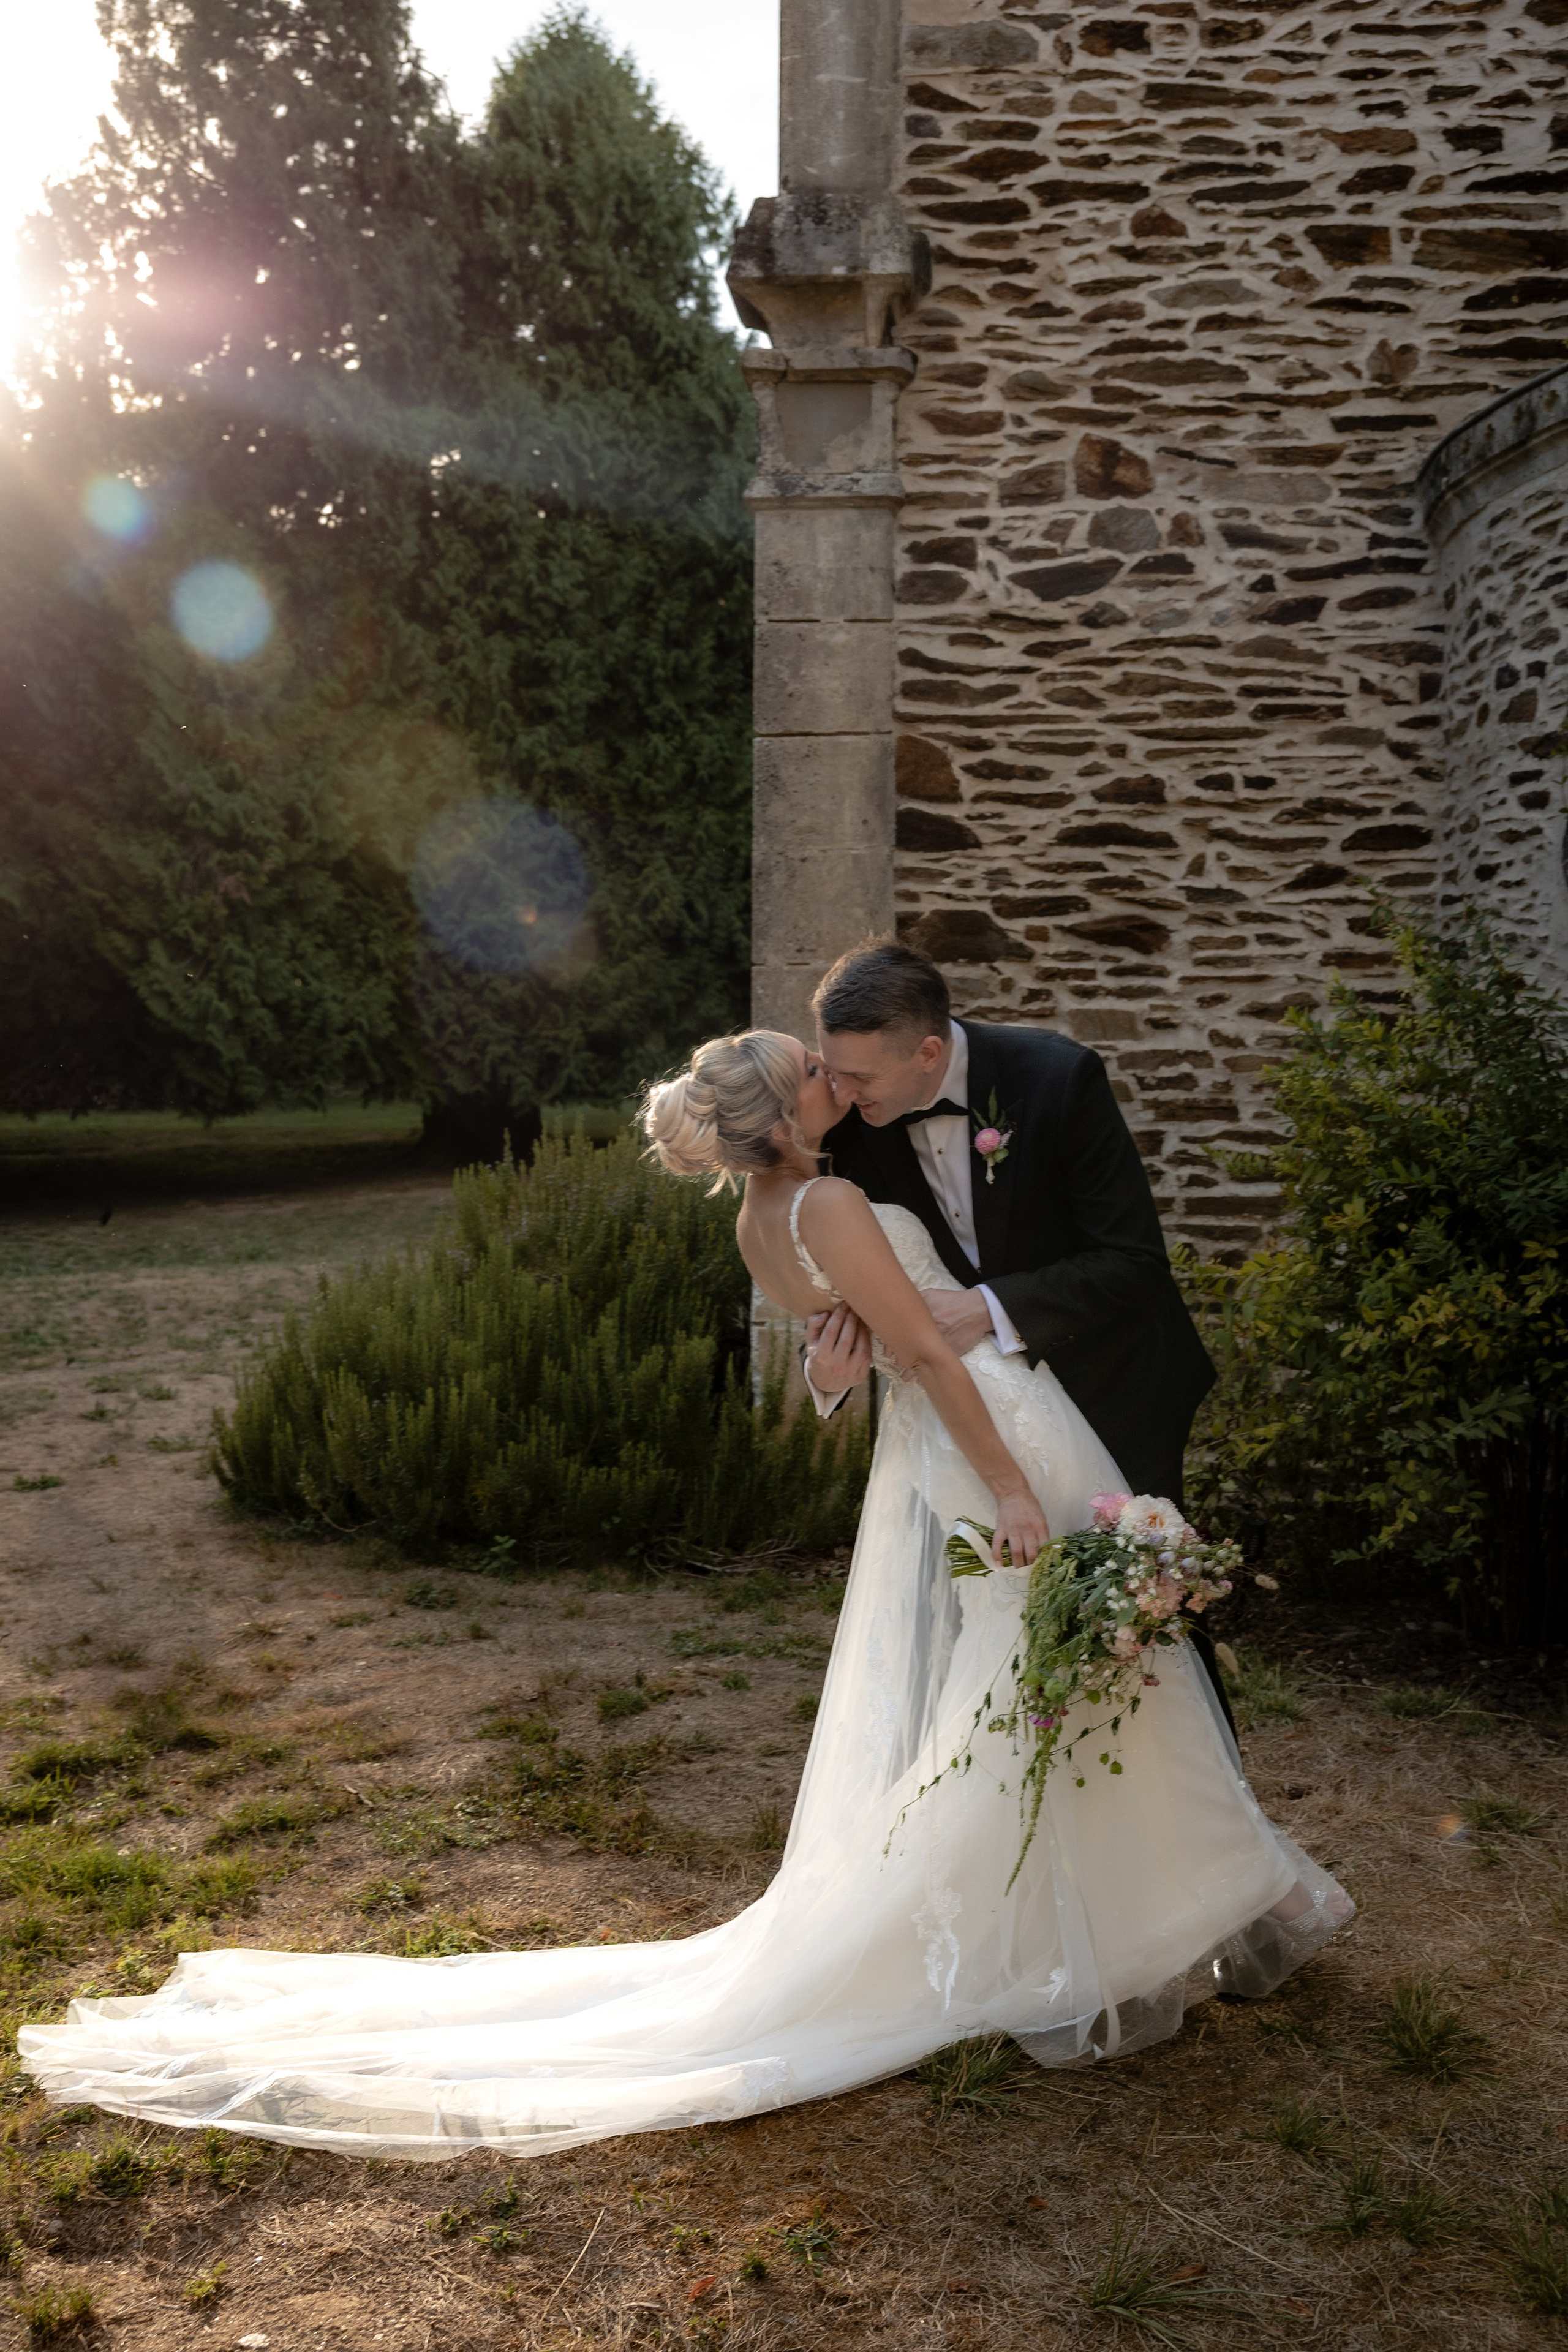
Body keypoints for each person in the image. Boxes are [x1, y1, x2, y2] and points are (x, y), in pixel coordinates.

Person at [19, 1031, 1349, 2163]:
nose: (829, 1070)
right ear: (780, 1112)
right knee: (1084, 1663)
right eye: (806, 1068)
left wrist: (855, 1381)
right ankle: (1212, 1902)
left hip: (939, 1451)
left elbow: (838, 1364)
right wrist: (1007, 1483)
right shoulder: (826, 1205)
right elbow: (925, 1364)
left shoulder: (762, 1221)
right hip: (989, 1435)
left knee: (1062, 1674)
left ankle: (1205, 1899)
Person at [801, 938, 1235, 1730]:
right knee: (987, 1618)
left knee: (1145, 1606)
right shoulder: (854, 1123)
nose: (837, 1089)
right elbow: (850, 1287)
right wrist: (828, 1375)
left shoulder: (1058, 1080)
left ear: (929, 1052)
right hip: (971, 1414)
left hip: (1110, 1382)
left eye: (856, 1076)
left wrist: (989, 1307)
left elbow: (1132, 1262)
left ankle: (1196, 1812)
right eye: (830, 1068)